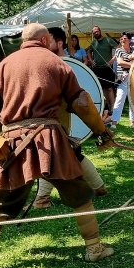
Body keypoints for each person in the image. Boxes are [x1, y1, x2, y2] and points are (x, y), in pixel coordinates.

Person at [0, 23, 116, 268]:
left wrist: (9, 117)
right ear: (46, 40)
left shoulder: (5, 64)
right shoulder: (57, 63)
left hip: (13, 142)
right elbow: (80, 102)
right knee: (79, 193)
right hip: (50, 141)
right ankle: (94, 249)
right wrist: (102, 131)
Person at [33, 27, 109, 209]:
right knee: (68, 155)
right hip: (51, 121)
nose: (44, 44)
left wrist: (97, 125)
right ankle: (99, 187)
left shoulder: (64, 67)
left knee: (59, 156)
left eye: (48, 41)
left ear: (59, 43)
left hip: (64, 121)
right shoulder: (46, 66)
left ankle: (42, 198)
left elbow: (80, 100)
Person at [86, 26, 119, 114]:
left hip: (107, 68)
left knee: (110, 89)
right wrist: (91, 60)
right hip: (97, 69)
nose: (96, 33)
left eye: (97, 31)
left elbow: (119, 49)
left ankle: (113, 108)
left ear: (100, 31)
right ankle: (107, 108)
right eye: (94, 32)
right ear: (93, 34)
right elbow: (89, 51)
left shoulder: (108, 40)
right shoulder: (94, 42)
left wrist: (112, 60)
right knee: (103, 89)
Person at [109, 32, 134, 127]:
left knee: (133, 100)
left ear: (129, 40)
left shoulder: (133, 50)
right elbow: (120, 62)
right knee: (120, 99)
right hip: (122, 78)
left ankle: (133, 122)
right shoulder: (119, 50)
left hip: (133, 77)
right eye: (121, 39)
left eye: (125, 38)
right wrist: (133, 64)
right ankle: (114, 122)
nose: (123, 40)